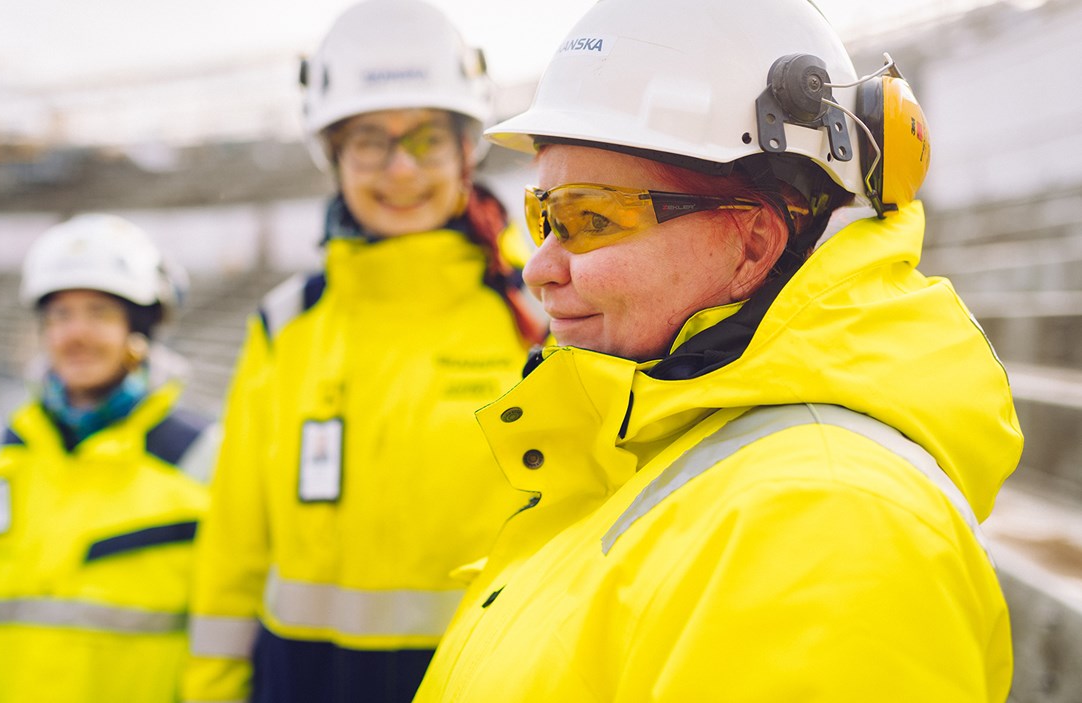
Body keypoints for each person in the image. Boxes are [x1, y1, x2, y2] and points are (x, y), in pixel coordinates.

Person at [414, 0, 1024, 700]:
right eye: (543, 216)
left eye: (591, 218)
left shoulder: (825, 524)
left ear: (753, 244)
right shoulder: (661, 444)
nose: (538, 266)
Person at [182, 1, 545, 701]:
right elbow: (235, 541)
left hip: (487, 679)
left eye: (426, 139)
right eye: (370, 141)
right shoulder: (285, 325)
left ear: (467, 149)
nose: (400, 169)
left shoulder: (542, 313)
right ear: (335, 155)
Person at [0, 214, 219, 703]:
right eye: (60, 315)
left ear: (141, 330)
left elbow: (234, 619)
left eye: (99, 313)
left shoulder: (202, 461)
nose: (75, 334)